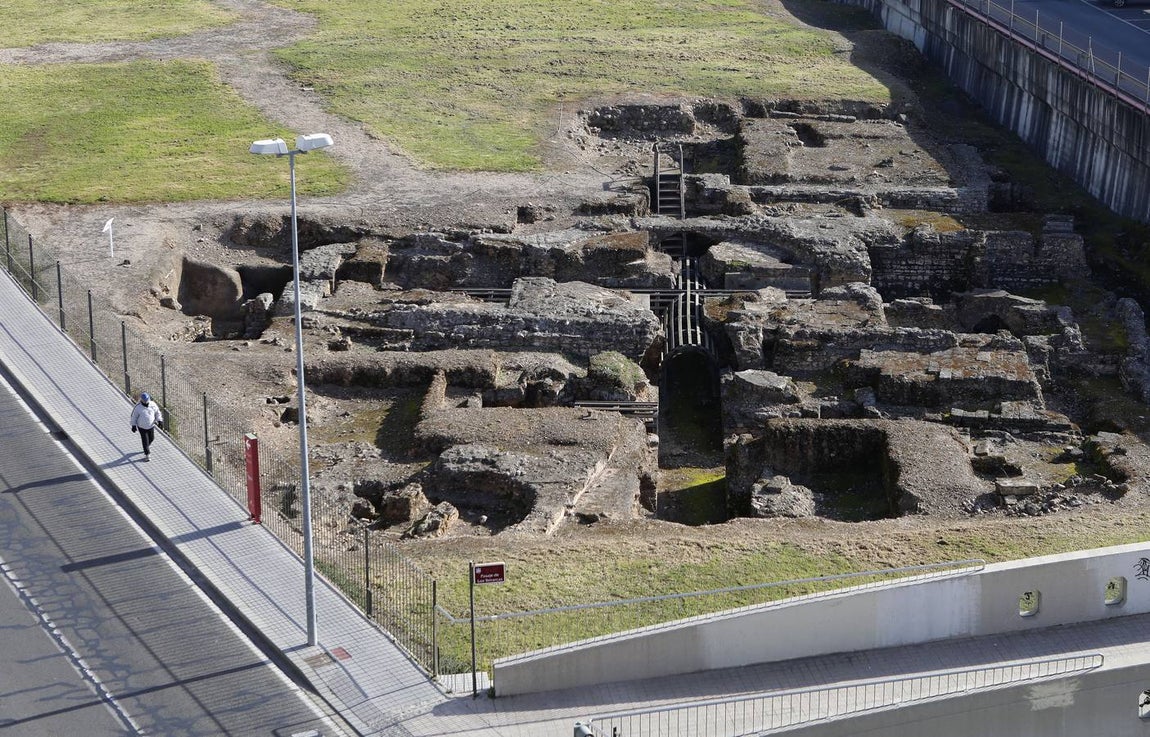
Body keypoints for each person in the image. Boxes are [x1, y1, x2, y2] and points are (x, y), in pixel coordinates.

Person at [130, 392, 163, 460]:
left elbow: (157, 412)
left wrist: (160, 420)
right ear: (141, 400)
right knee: (145, 440)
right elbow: (134, 417)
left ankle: (146, 446)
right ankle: (147, 454)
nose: (145, 402)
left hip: (151, 426)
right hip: (142, 427)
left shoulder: (153, 404)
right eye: (144, 400)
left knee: (151, 438)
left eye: (146, 400)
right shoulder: (138, 407)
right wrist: (133, 425)